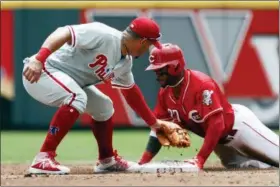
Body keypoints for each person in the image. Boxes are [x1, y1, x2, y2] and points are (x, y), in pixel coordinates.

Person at [22, 17, 173, 174]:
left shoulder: (125, 62)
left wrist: (155, 124)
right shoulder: (104, 34)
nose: (147, 48)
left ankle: (106, 161)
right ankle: (43, 158)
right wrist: (39, 59)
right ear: (142, 41)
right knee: (78, 97)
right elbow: (63, 32)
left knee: (104, 107)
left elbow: (131, 93)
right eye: (149, 44)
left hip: (68, 81)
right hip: (42, 72)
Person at [138, 43, 279, 170]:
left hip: (238, 127)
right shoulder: (164, 93)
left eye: (161, 69)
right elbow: (159, 129)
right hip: (218, 140)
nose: (157, 74)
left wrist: (199, 159)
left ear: (175, 66)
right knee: (240, 167)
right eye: (155, 70)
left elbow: (217, 124)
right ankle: (268, 165)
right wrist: (143, 163)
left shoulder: (202, 85)